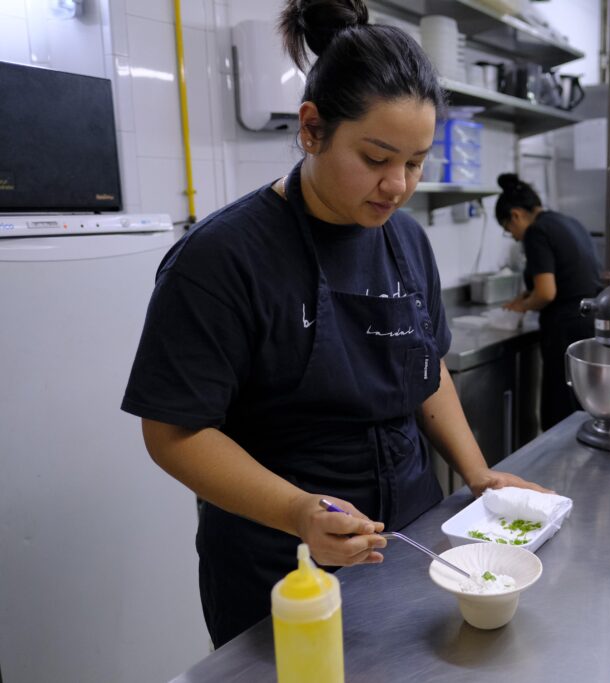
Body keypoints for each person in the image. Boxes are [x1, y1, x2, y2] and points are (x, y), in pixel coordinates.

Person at [121, 0, 546, 648]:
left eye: (416, 160)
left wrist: (479, 472)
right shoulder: (223, 258)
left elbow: (425, 368)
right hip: (284, 567)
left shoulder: (406, 240)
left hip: (413, 543)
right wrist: (299, 510)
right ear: (312, 129)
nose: (397, 185)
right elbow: (174, 430)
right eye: (376, 158)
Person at [495, 174, 602, 430]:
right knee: (583, 405)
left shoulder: (536, 232)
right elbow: (568, 276)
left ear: (516, 215)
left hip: (566, 330)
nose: (516, 238)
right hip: (590, 322)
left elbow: (546, 293)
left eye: (510, 231)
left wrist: (522, 306)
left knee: (561, 410)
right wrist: (524, 297)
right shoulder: (567, 221)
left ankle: (561, 469)